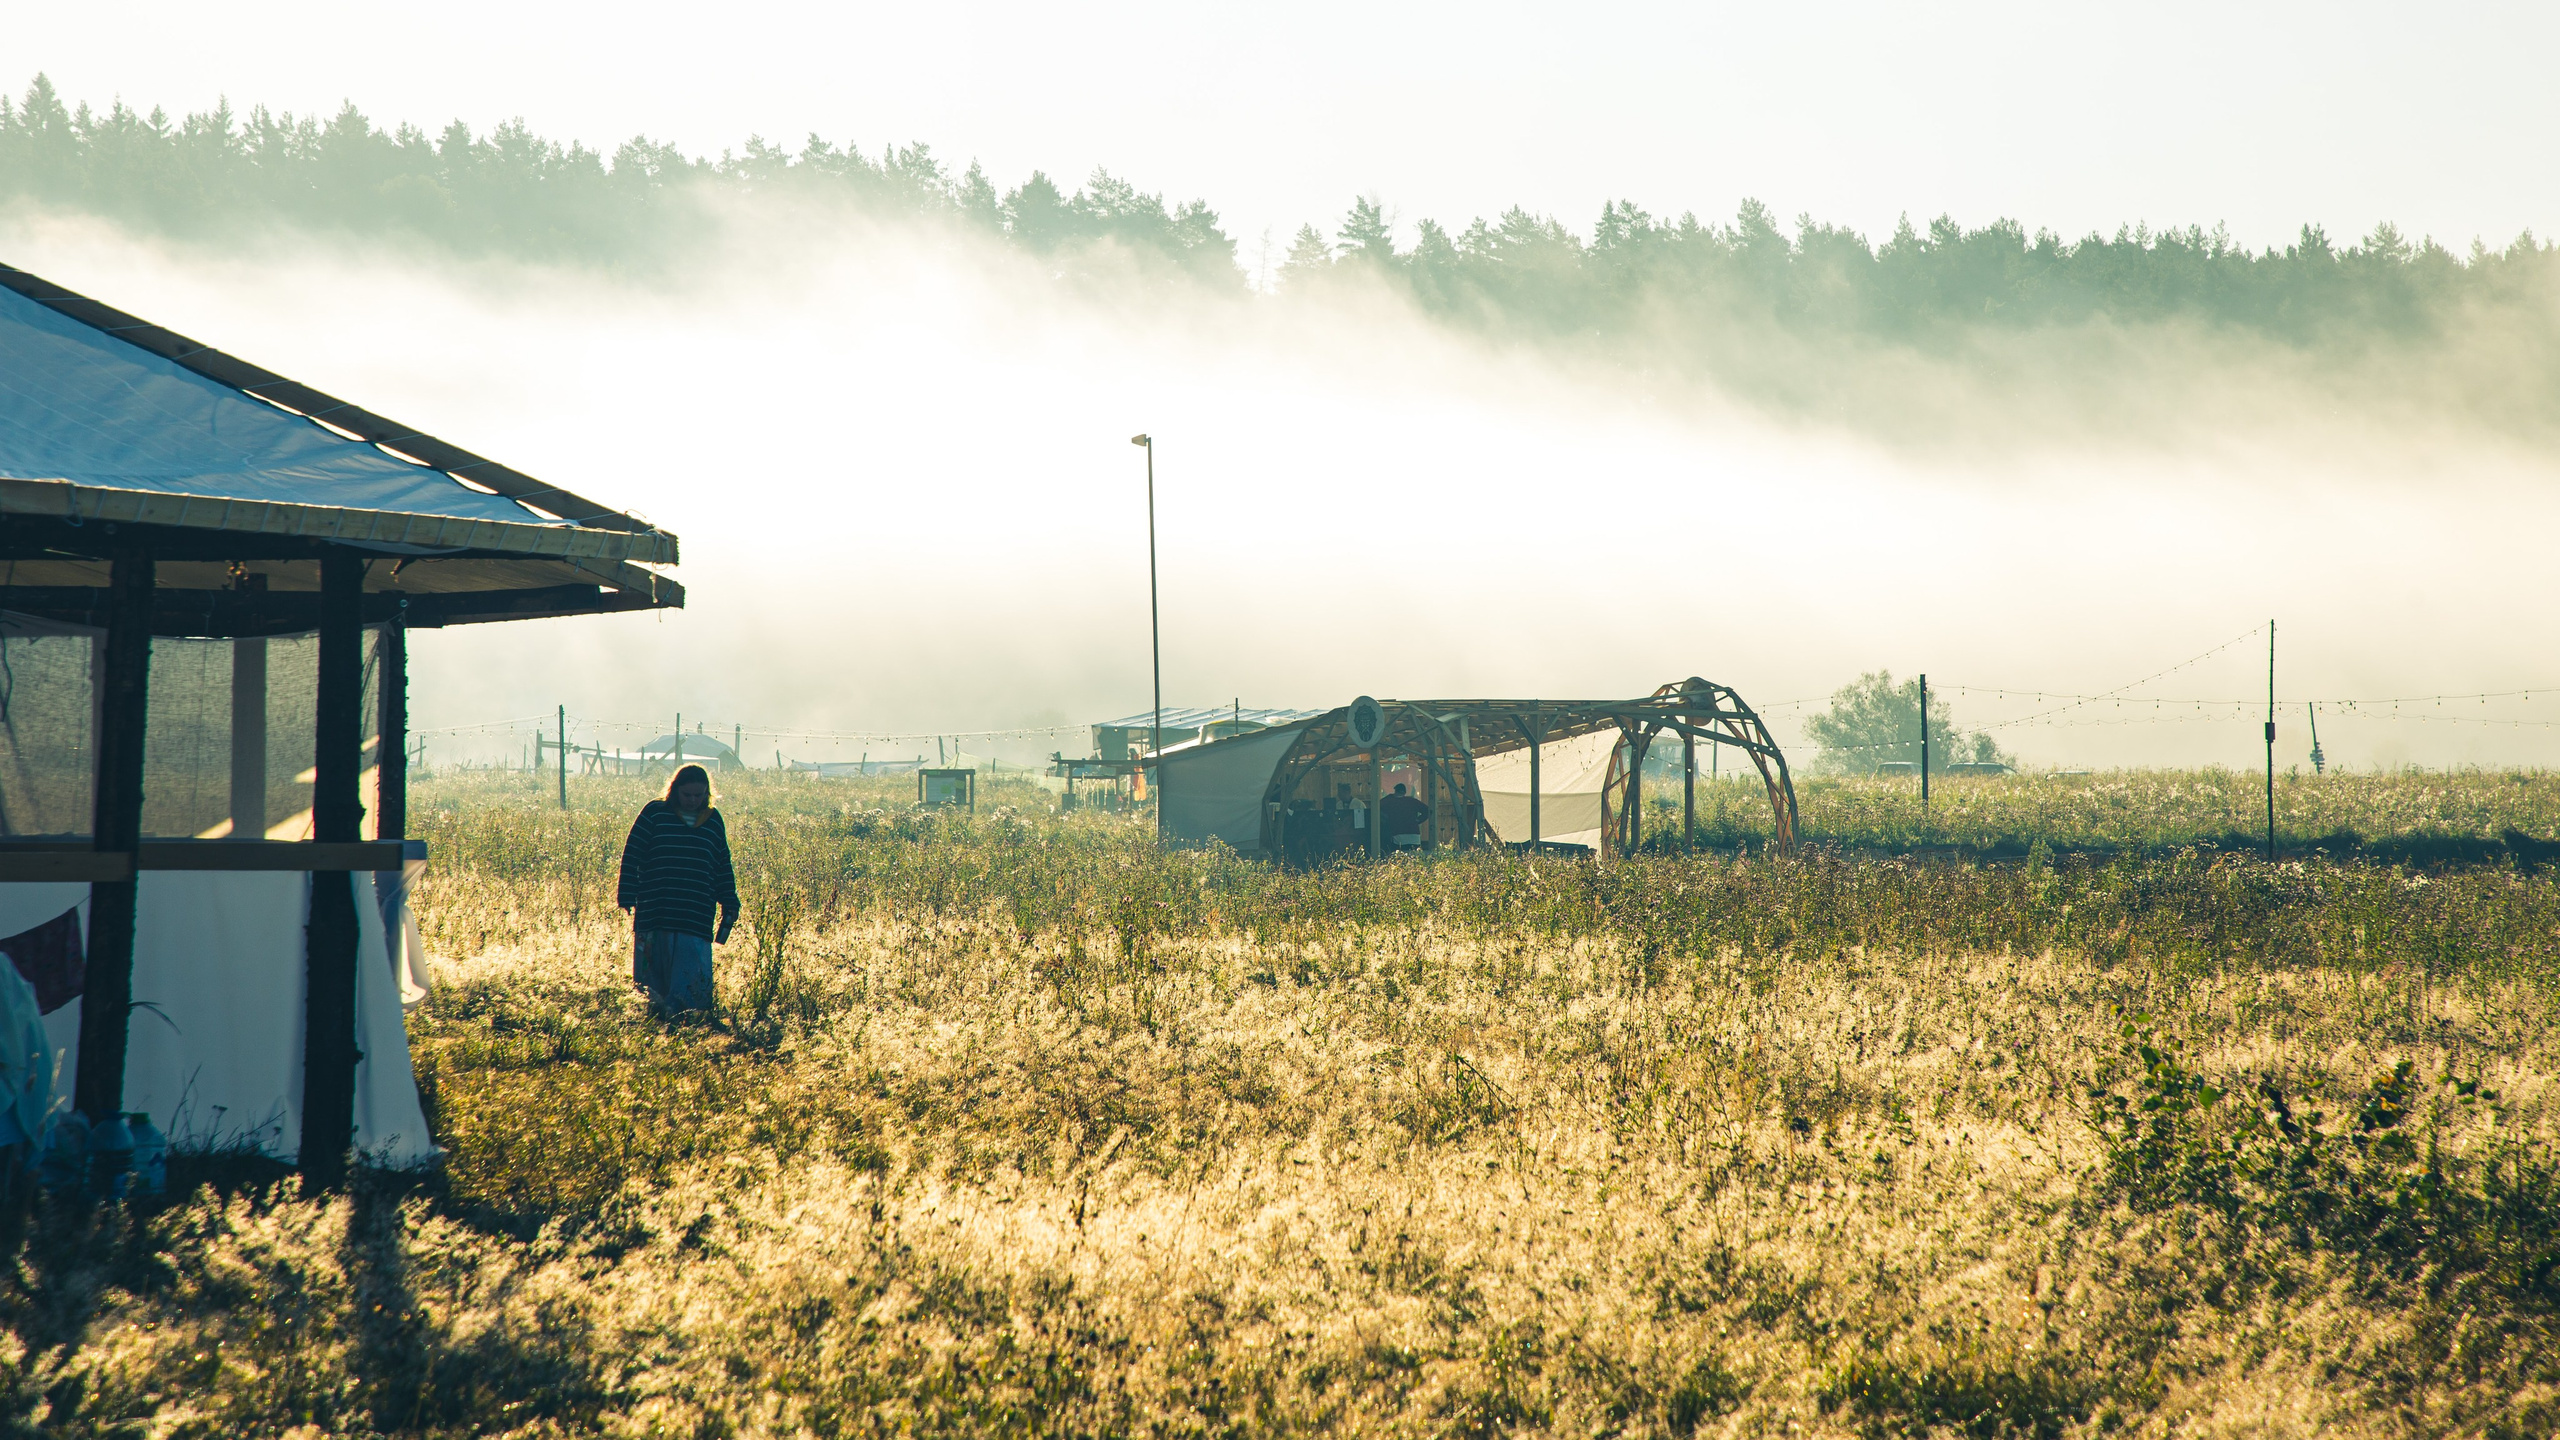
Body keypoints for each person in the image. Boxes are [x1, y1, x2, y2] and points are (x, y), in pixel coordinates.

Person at [617, 764, 740, 1016]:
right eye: (687, 795)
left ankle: (691, 1018)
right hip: (656, 910)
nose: (693, 801)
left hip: (694, 914)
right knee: (653, 980)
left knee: (691, 979)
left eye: (699, 795)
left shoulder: (713, 821)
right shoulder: (654, 814)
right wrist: (627, 893)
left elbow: (721, 865)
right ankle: (654, 1014)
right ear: (675, 791)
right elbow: (632, 854)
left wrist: (729, 901)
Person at [1380, 782, 1429, 851]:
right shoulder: (1412, 801)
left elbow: (1376, 807)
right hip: (1414, 837)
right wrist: (1418, 820)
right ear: (1404, 792)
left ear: (1395, 791)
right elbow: (1428, 811)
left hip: (1397, 835)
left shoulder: (1389, 800)